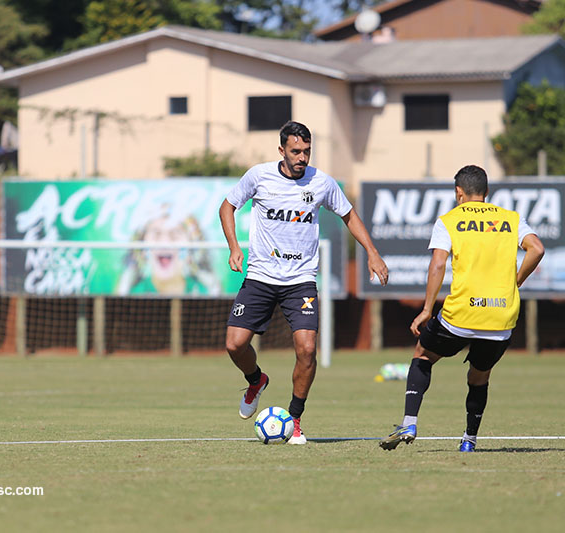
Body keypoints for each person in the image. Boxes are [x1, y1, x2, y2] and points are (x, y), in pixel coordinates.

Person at [219, 120, 388, 445]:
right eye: (296, 151)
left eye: (307, 151)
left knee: (307, 350)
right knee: (234, 344)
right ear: (281, 150)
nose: (302, 157)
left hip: (300, 281)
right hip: (260, 276)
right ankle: (256, 381)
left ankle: (294, 420)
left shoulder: (322, 182)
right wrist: (234, 246)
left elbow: (349, 216)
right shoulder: (259, 176)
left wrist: (372, 252)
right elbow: (227, 207)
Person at [380, 165, 544, 452]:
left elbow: (438, 265)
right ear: (487, 192)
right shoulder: (511, 219)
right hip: (501, 315)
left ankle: (409, 421)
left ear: (459, 192)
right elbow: (537, 249)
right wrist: (515, 282)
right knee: (479, 376)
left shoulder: (449, 220)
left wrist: (427, 309)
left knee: (422, 355)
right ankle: (469, 439)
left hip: (461, 314)